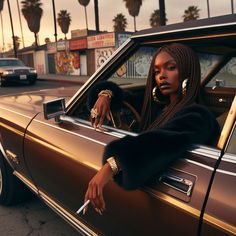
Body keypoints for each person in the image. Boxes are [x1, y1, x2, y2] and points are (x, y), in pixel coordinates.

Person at [84, 43, 220, 215]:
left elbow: (160, 142)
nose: (162, 76)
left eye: (170, 68)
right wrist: (106, 95)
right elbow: (123, 96)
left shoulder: (198, 117)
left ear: (187, 71)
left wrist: (112, 165)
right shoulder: (156, 107)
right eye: (156, 71)